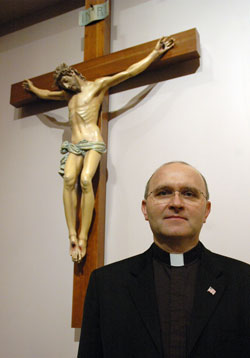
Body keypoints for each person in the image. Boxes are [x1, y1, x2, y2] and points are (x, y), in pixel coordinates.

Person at [22, 37, 174, 263]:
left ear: (76, 75)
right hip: (74, 145)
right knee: (68, 180)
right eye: (63, 84)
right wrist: (34, 88)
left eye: (67, 80)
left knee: (85, 180)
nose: (66, 86)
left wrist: (154, 54)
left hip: (92, 141)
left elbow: (129, 73)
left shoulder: (96, 86)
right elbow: (45, 95)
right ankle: (72, 234)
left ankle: (83, 236)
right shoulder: (66, 96)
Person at [78, 161, 250, 358]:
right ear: (145, 209)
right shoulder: (106, 284)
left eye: (189, 194)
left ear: (206, 210)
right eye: (163, 193)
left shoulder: (243, 281)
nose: (176, 203)